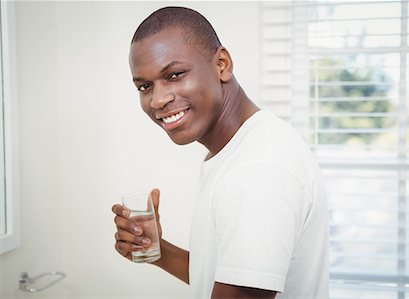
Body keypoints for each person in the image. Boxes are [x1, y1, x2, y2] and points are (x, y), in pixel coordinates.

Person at [112, 6, 329, 299]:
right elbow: (224, 276)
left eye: (174, 74)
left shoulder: (257, 168)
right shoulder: (243, 150)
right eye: (145, 86)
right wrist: (159, 251)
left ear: (222, 64)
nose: (158, 99)